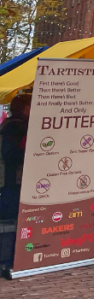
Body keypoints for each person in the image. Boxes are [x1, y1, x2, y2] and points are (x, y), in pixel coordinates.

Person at [0, 94, 30, 222]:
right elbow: (9, 154)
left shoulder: (9, 125)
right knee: (12, 221)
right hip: (12, 180)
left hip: (14, 180)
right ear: (25, 108)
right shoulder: (14, 127)